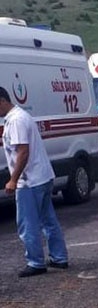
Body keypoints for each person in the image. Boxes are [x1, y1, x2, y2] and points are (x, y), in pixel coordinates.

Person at [0, 86, 69, 278]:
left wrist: (13, 180)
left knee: (27, 223)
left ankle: (36, 262)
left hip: (29, 181)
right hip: (43, 176)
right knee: (48, 220)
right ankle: (59, 257)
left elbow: (23, 151)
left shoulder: (16, 121)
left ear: (2, 101)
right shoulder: (21, 116)